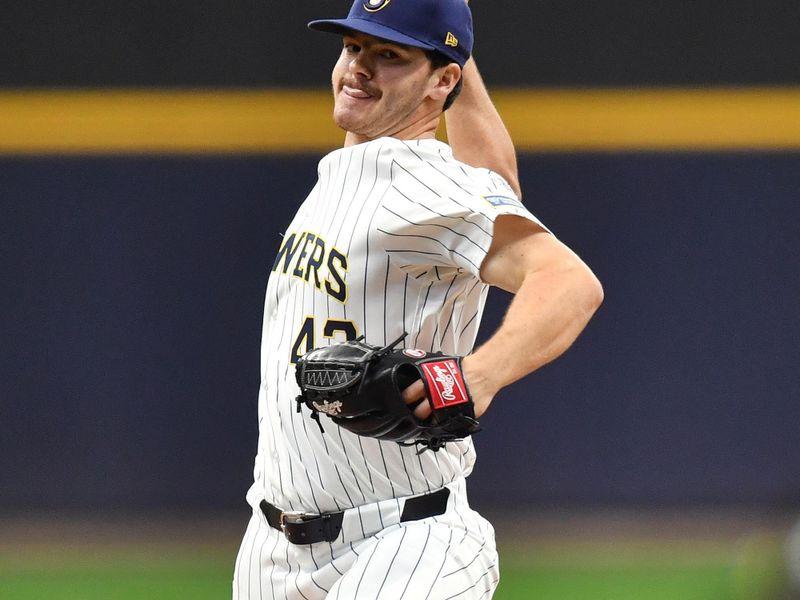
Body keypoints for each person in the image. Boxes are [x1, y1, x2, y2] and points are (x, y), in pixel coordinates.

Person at [233, 0, 603, 598]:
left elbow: (570, 282)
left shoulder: (421, 183)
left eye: (389, 55)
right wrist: (449, 42)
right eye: (353, 47)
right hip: (272, 551)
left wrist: (475, 377)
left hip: (404, 544)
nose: (359, 67)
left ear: (441, 82)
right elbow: (496, 187)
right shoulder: (356, 170)